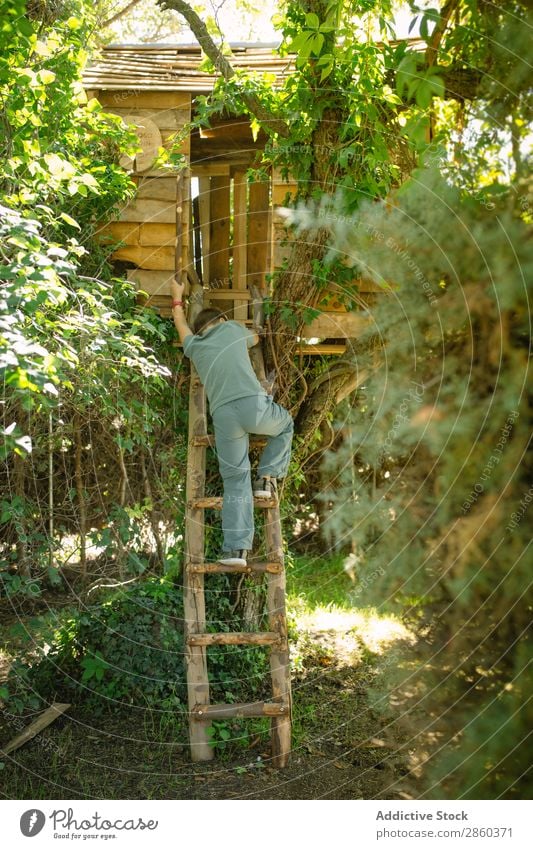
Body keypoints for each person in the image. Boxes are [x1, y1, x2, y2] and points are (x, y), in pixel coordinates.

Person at [171, 280, 293, 567]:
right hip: (252, 405)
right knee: (285, 425)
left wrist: (178, 297)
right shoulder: (233, 329)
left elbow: (180, 323)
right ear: (221, 320)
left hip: (224, 416)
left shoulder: (194, 346)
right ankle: (266, 478)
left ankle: (236, 552)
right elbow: (258, 337)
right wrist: (259, 308)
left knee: (235, 480)